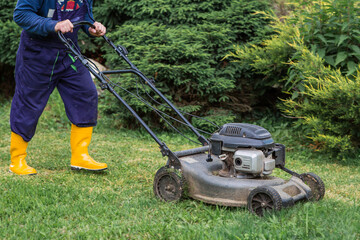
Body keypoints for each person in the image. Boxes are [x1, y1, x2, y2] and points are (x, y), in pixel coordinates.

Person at [9, 0, 107, 175]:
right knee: (28, 104)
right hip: (37, 54)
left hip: (69, 54)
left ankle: (80, 156)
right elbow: (21, 14)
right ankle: (17, 160)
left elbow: (84, 16)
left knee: (85, 93)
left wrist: (91, 27)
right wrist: (54, 25)